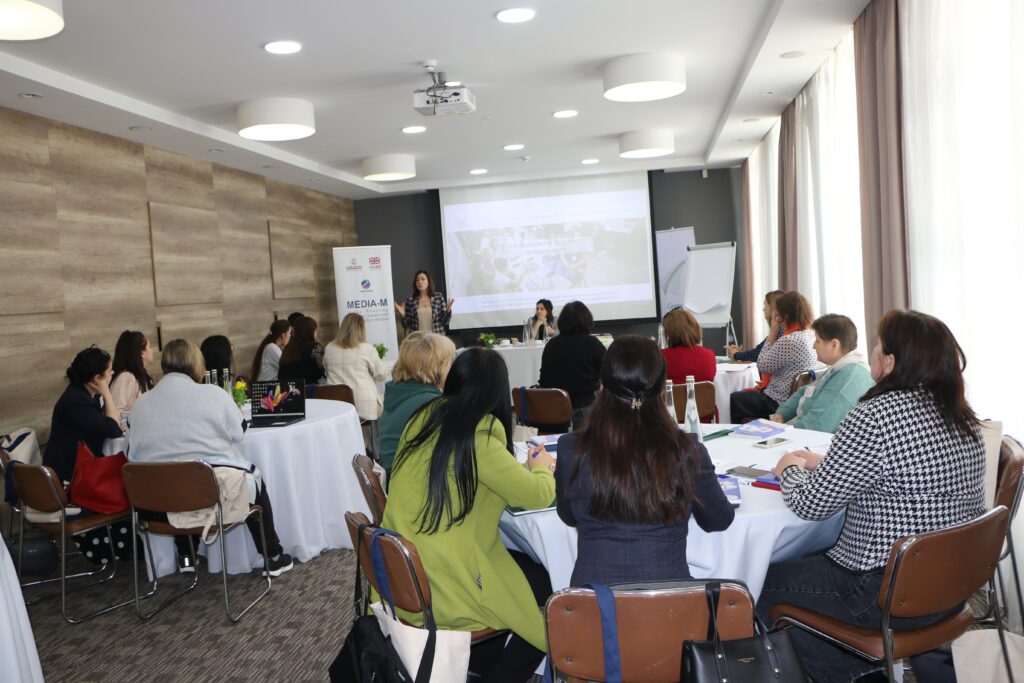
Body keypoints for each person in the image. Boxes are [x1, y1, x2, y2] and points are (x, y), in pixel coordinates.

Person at [756, 310, 986, 682]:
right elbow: (907, 471)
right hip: (949, 588)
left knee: (754, 582)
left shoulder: (875, 416)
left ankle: (851, 674)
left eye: (878, 346)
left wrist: (791, 468)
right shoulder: (963, 417)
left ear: (889, 362)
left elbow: (809, 504)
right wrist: (828, 463)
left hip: (878, 594)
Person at [385, 348, 556, 682]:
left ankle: (478, 666)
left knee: (531, 580)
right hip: (449, 579)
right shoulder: (479, 436)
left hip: (407, 569)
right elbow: (537, 494)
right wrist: (541, 467)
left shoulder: (423, 419)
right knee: (549, 601)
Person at [556, 336, 734, 586]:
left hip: (592, 603)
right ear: (662, 388)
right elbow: (719, 519)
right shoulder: (686, 451)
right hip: (670, 604)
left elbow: (569, 516)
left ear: (602, 386)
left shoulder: (571, 449)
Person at [128, 339, 293, 576]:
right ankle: (273, 556)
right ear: (197, 363)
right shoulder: (213, 394)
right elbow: (238, 431)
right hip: (211, 496)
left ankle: (187, 556)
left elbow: (131, 453)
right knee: (252, 481)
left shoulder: (140, 404)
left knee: (176, 477)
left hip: (157, 504)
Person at [769, 314, 874, 433]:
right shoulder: (841, 366)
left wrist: (779, 430)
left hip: (814, 438)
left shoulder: (850, 376)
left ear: (834, 345)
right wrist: (782, 414)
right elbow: (806, 391)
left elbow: (816, 426)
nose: (814, 346)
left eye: (817, 341)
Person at [729, 291, 818, 423]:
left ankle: (739, 432)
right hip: (794, 398)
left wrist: (773, 329)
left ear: (784, 315)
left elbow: (762, 365)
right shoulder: (809, 335)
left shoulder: (789, 340)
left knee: (735, 398)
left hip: (777, 401)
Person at [378, 331, 455, 479]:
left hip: (399, 481)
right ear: (436, 366)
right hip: (417, 485)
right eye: (448, 361)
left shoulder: (400, 393)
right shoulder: (430, 403)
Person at [44, 346, 124, 484]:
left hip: (81, 466)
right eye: (110, 371)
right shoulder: (77, 401)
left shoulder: (86, 395)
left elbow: (112, 425)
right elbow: (114, 430)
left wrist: (112, 424)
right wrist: (107, 394)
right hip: (68, 475)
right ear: (97, 379)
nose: (113, 373)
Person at [538, 301, 606, 427]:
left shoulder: (551, 345)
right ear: (587, 320)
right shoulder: (592, 343)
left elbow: (543, 380)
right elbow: (608, 374)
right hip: (583, 409)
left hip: (553, 411)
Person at [323, 313, 388, 421]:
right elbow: (381, 375)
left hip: (337, 404)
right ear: (361, 329)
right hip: (363, 406)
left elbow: (326, 372)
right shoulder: (367, 349)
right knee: (384, 399)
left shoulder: (329, 347)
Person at [661, 307, 716, 386]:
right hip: (702, 394)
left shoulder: (661, 357)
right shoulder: (709, 355)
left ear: (669, 334)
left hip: (672, 394)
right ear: (695, 328)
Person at [725, 290, 784, 361]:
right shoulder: (780, 330)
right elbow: (758, 351)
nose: (763, 309)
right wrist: (739, 353)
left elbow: (757, 354)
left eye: (765, 305)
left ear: (772, 307)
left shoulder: (779, 331)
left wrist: (736, 354)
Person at [109, 330, 155, 418]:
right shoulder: (126, 377)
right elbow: (116, 411)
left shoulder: (142, 376)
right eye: (149, 347)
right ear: (142, 353)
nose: (152, 350)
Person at [395, 270, 453, 335]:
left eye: (423, 279)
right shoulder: (411, 299)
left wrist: (448, 311)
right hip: (418, 338)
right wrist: (403, 315)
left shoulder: (438, 297)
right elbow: (406, 325)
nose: (420, 281)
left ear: (428, 282)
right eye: (417, 280)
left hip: (436, 338)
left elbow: (445, 322)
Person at [278, 316, 325, 386]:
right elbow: (322, 370)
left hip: (287, 388)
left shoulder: (288, 347)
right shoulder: (315, 347)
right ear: (311, 331)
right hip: (309, 387)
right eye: (315, 331)